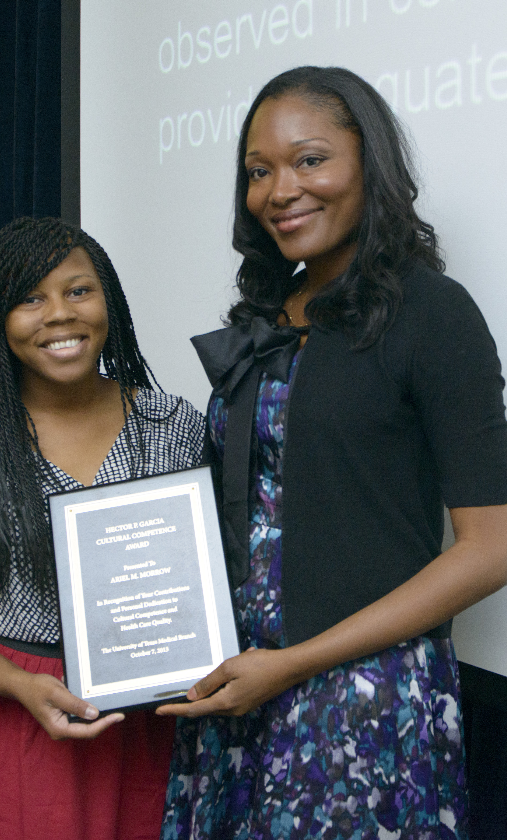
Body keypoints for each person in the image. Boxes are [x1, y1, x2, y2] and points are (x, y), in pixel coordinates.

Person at [156, 66, 507, 839]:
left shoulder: (432, 313)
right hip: (239, 688)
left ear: (368, 163)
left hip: (360, 700)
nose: (281, 189)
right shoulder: (265, 317)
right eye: (259, 171)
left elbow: (491, 549)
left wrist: (293, 663)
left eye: (310, 159)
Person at [0, 217, 204, 840]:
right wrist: (21, 686)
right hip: (15, 722)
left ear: (108, 303)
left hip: (156, 725)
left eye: (78, 290)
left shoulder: (174, 426)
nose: (60, 315)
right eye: (30, 298)